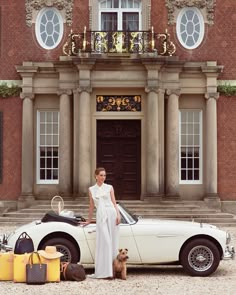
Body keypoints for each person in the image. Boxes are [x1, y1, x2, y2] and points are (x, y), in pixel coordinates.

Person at [82, 167, 121, 279]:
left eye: (104, 175)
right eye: (101, 175)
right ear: (96, 176)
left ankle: (112, 271)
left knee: (113, 242)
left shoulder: (109, 187)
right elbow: (91, 205)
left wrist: (118, 214)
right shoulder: (91, 189)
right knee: (105, 242)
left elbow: (114, 202)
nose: (103, 177)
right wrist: (89, 220)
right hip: (101, 216)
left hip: (112, 214)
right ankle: (104, 271)